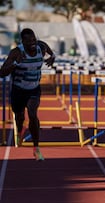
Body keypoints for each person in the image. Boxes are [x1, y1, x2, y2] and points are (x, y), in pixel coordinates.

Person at [0, 28, 55, 161]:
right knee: (19, 116)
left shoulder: (41, 47)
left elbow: (49, 51)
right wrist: (15, 64)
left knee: (32, 113)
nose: (32, 43)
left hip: (34, 89)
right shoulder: (16, 52)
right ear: (22, 41)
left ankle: (36, 148)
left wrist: (52, 57)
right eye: (29, 41)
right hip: (18, 90)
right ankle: (20, 129)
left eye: (34, 39)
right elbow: (2, 72)